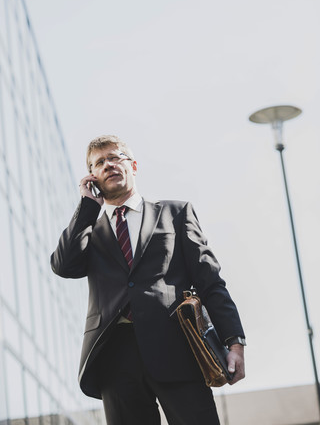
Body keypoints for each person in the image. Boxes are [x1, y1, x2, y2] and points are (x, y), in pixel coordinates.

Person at [51, 135, 246, 425]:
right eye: (99, 163)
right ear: (92, 177)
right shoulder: (88, 231)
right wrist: (87, 207)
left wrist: (234, 341)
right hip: (114, 357)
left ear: (133, 165)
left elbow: (211, 280)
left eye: (115, 157)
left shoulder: (175, 213)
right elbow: (64, 266)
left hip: (179, 346)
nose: (109, 165)